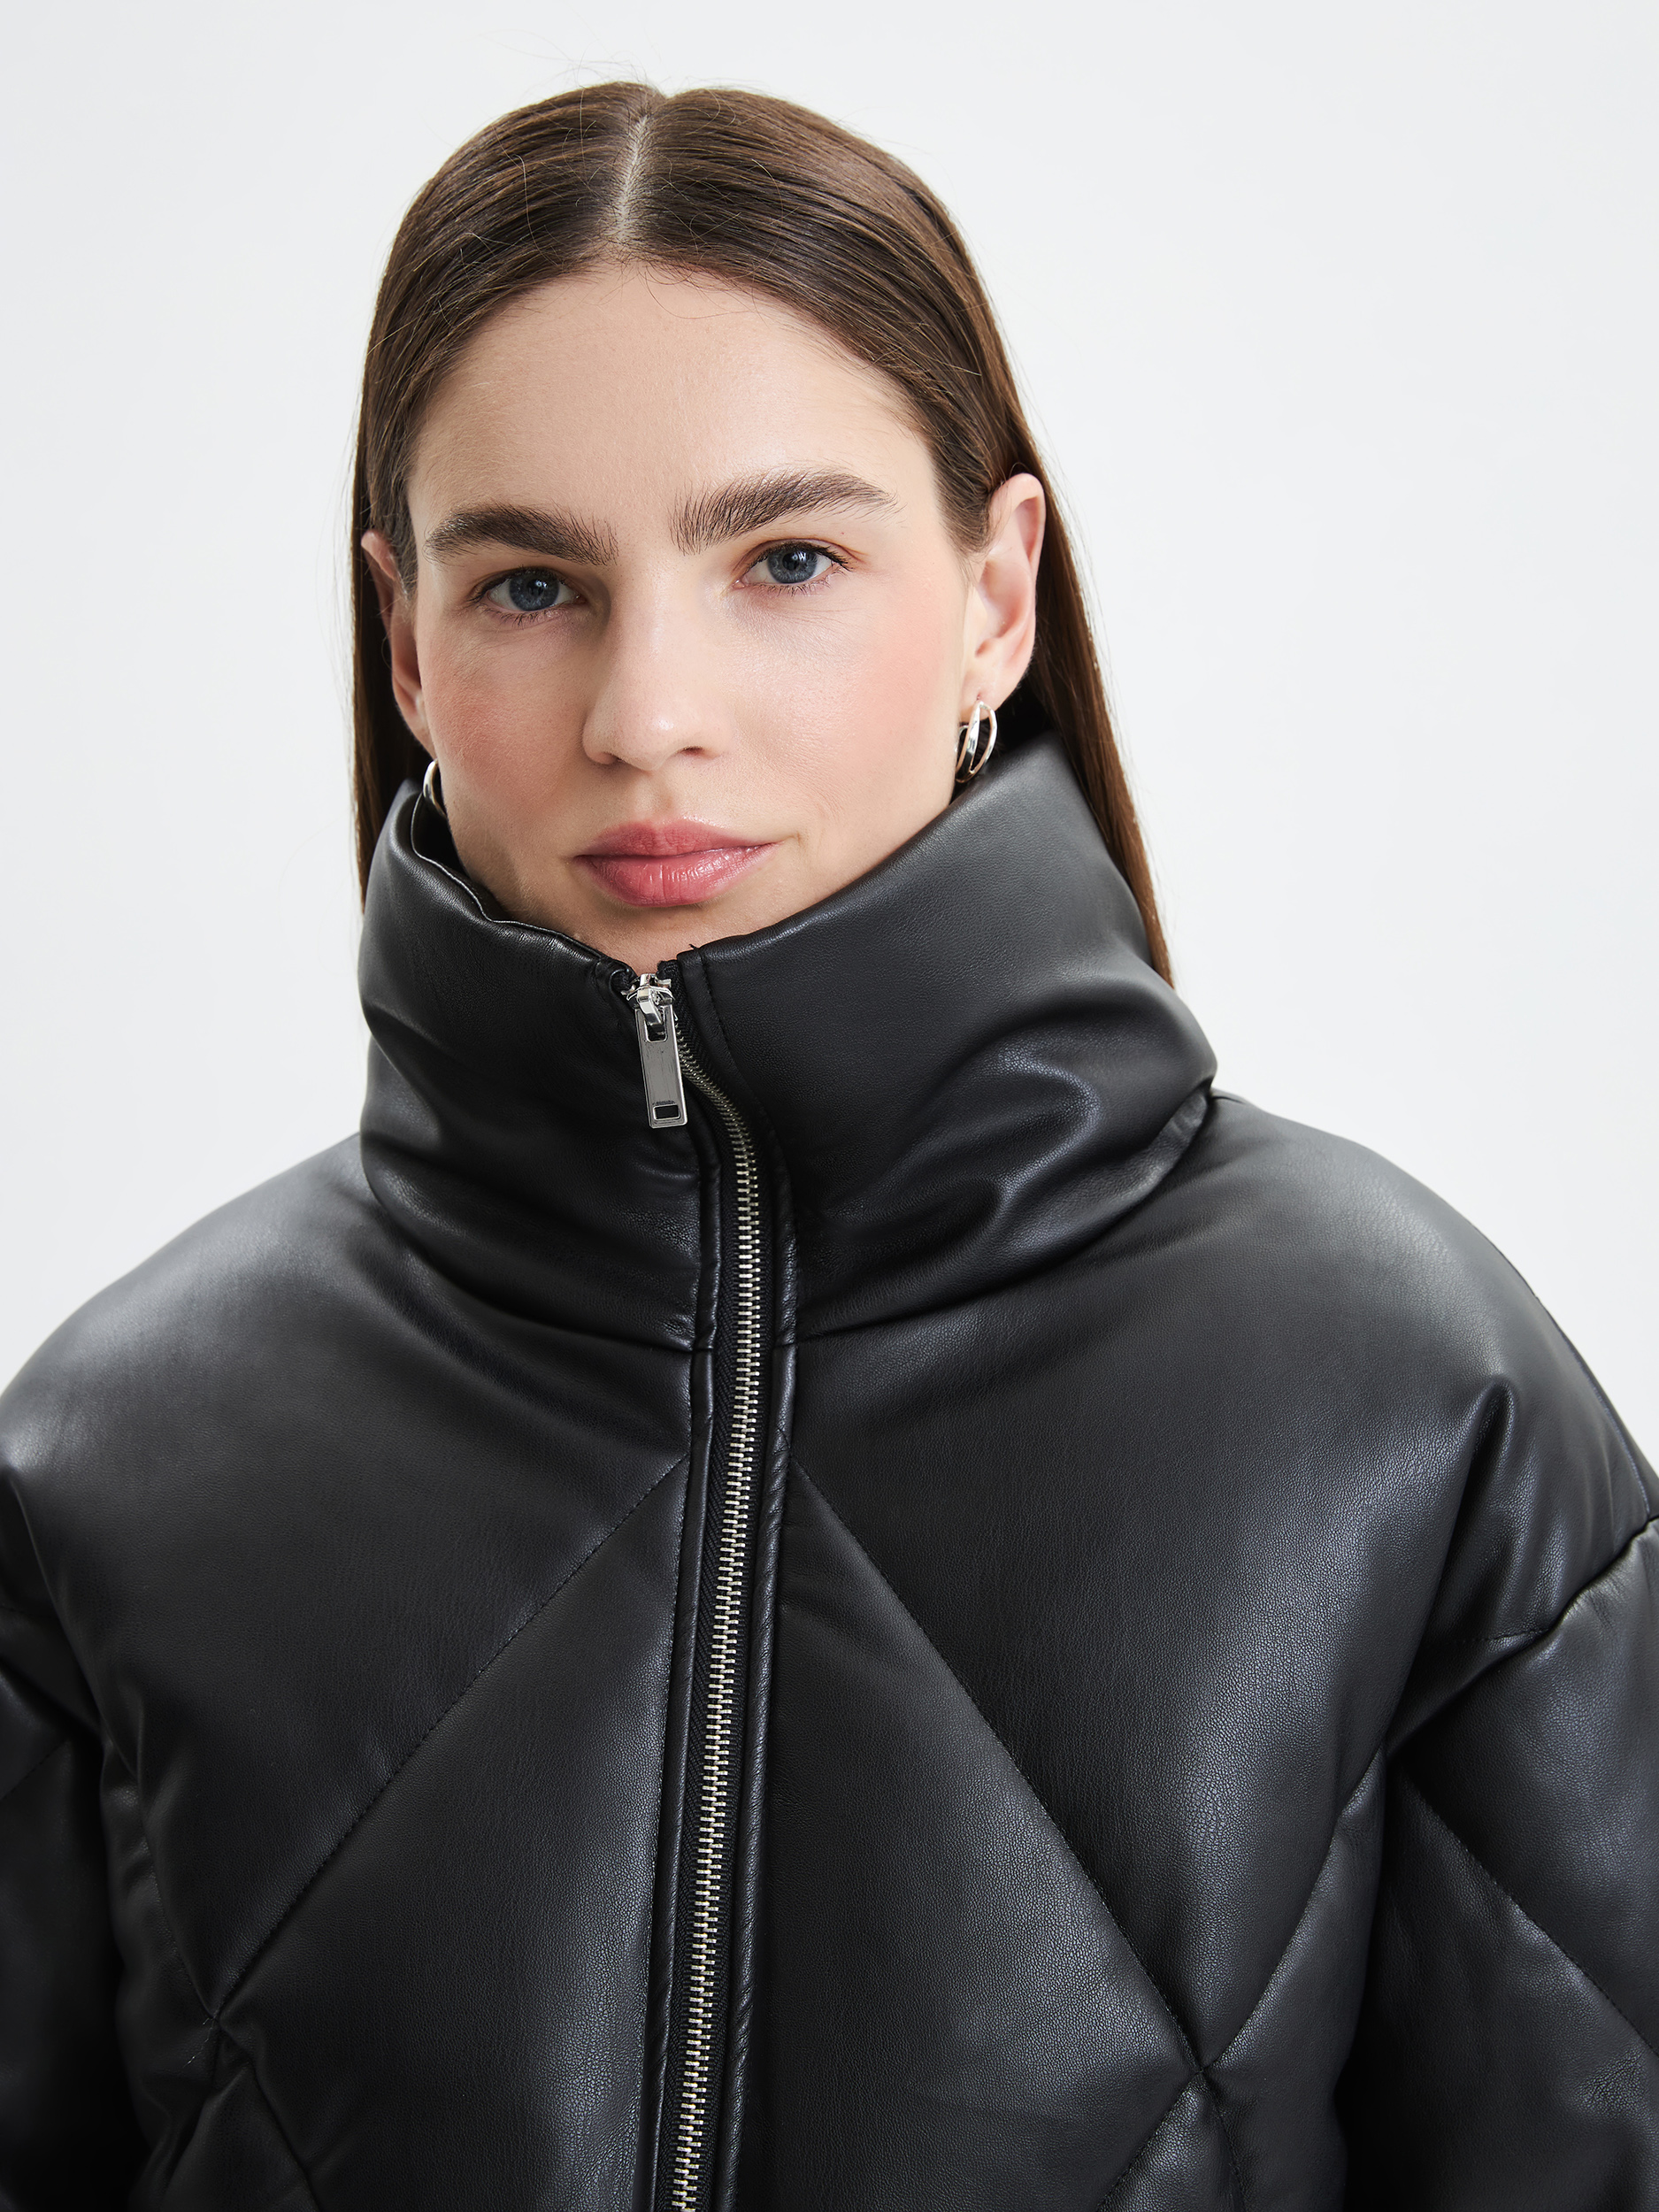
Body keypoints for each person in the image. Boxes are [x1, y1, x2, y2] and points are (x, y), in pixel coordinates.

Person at [1, 80, 1653, 2212]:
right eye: (530, 584)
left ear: (994, 593)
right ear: (402, 637)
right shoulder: (111, 1462)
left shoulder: (1415, 1402)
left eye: (784, 559)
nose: (646, 714)